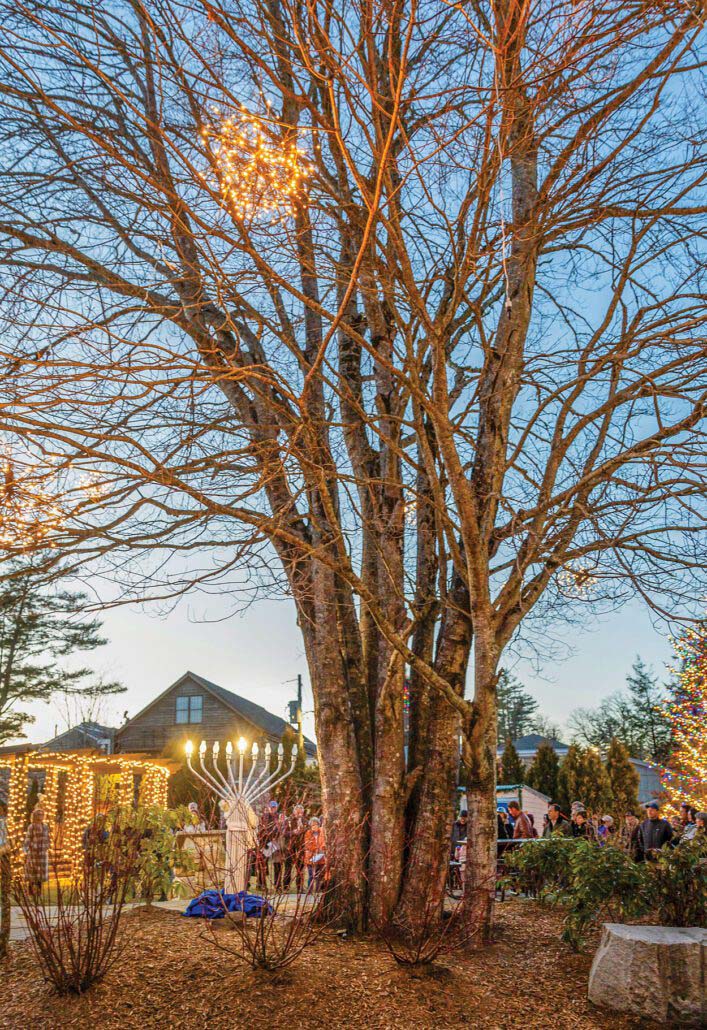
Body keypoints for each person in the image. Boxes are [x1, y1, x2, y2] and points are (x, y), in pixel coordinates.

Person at [23, 809, 50, 893]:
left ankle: (39, 891)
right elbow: (28, 838)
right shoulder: (31, 826)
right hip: (33, 852)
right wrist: (26, 849)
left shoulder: (45, 826)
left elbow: (47, 838)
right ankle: (30, 891)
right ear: (35, 815)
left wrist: (47, 847)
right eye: (38, 814)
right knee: (32, 871)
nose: (40, 816)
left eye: (42, 814)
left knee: (40, 872)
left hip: (42, 853)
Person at [285, 803, 308, 892]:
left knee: (300, 868)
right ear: (294, 812)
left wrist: (302, 828)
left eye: (300, 813)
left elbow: (309, 831)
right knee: (288, 868)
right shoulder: (288, 820)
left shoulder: (305, 821)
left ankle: (300, 888)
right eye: (297, 812)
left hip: (301, 847)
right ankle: (286, 888)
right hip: (290, 847)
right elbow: (284, 832)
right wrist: (293, 832)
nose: (299, 814)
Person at [304, 816, 326, 891]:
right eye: (312, 825)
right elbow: (308, 844)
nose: (314, 826)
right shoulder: (308, 833)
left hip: (320, 857)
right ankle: (309, 891)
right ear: (310, 826)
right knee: (311, 875)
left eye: (316, 824)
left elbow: (323, 843)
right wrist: (316, 849)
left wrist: (322, 848)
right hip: (311, 857)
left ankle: (317, 890)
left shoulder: (322, 832)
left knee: (319, 876)